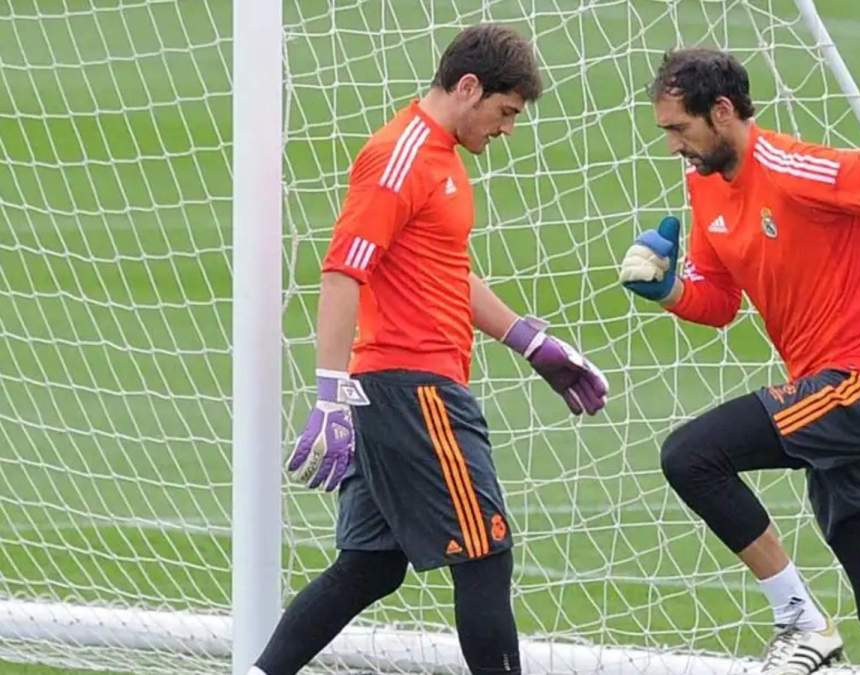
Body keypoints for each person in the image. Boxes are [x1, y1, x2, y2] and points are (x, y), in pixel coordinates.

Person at [250, 24, 608, 675]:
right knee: (486, 551)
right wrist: (329, 392)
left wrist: (531, 340)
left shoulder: (440, 159)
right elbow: (342, 270)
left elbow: (446, 272)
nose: (507, 131)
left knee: (371, 564)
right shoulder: (403, 153)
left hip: (400, 390)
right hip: (414, 391)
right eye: (505, 113)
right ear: (468, 86)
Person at [618, 48, 860, 675]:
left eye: (680, 129)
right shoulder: (702, 184)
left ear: (724, 111)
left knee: (692, 455)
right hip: (833, 402)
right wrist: (667, 290)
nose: (673, 146)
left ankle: (801, 620)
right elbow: (719, 304)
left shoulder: (795, 168)